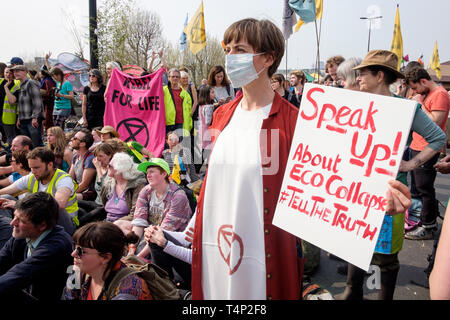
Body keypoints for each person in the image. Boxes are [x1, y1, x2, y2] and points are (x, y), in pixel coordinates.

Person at [191, 19, 413, 300]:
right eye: (229, 49)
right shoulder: (222, 115)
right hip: (216, 248)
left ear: (268, 58)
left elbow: (337, 181)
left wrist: (375, 201)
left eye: (241, 50)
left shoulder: (296, 123)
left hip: (265, 257)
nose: (230, 58)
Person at [335, 49, 446, 301]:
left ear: (380, 75)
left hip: (390, 191)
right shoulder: (354, 105)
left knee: (386, 251)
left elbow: (438, 138)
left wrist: (411, 163)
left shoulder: (406, 109)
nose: (358, 78)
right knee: (354, 240)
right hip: (354, 188)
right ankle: (352, 291)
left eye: (363, 73)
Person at [403, 67, 450, 240]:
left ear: (423, 81)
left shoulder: (440, 94)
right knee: (416, 188)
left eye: (414, 88)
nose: (414, 92)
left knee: (424, 188)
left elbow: (435, 121)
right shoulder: (427, 94)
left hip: (427, 148)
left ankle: (428, 225)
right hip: (417, 145)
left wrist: (419, 104)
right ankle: (418, 221)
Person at [0, 192, 73, 300]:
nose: (12, 223)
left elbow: (18, 275)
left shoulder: (56, 246)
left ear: (42, 225)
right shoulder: (24, 235)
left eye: (21, 220)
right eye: (14, 216)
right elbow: (2, 259)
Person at [118, 158, 191, 260]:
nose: (148, 175)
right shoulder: (146, 191)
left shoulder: (178, 196)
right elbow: (139, 222)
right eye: (147, 172)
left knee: (154, 236)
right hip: (149, 231)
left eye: (152, 172)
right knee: (119, 224)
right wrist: (131, 250)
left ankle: (142, 261)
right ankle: (125, 255)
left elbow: (163, 232)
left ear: (164, 174)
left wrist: (138, 257)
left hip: (169, 238)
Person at [62, 221, 152, 300]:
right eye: (75, 247)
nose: (73, 254)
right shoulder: (77, 270)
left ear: (105, 258)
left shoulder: (128, 289)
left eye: (81, 251)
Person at [0, 147, 80, 233]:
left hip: (63, 224)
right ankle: (10, 229)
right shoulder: (32, 177)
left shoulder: (63, 179)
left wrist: (19, 205)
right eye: (31, 168)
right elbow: (5, 191)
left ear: (50, 165)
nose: (33, 171)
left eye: (36, 168)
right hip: (41, 220)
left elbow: (58, 205)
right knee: (4, 198)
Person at [144, 213, 195, 289]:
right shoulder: (204, 205)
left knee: (157, 241)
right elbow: (186, 237)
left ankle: (166, 289)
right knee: (154, 237)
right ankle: (165, 288)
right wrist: (156, 232)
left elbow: (198, 259)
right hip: (193, 259)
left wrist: (165, 244)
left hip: (204, 273)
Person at [100, 152, 147, 223]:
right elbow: (103, 203)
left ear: (119, 169)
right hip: (107, 221)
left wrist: (116, 223)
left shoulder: (137, 185)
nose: (107, 167)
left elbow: (135, 214)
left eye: (110, 166)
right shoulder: (109, 182)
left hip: (125, 223)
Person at [77, 142, 117, 226]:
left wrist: (98, 169)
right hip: (95, 202)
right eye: (96, 156)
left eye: (101, 156)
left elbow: (103, 189)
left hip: (104, 206)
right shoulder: (98, 167)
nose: (98, 159)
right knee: (74, 202)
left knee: (83, 220)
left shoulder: (112, 169)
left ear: (110, 155)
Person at [8, 65, 44, 148]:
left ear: (25, 72)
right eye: (14, 71)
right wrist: (19, 118)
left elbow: (37, 101)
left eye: (18, 71)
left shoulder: (31, 83)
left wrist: (35, 118)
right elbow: (22, 104)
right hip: (24, 120)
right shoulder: (21, 85)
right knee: (27, 147)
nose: (15, 73)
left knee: (36, 145)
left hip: (32, 120)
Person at [69, 128, 97, 201]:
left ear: (83, 144)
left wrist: (68, 193)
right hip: (78, 190)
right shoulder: (75, 157)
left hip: (88, 193)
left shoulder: (90, 159)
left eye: (75, 138)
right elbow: (70, 178)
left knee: (66, 198)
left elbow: (84, 185)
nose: (71, 139)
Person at [163, 68, 193, 137]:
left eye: (177, 77)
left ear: (179, 78)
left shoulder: (185, 94)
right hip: (167, 124)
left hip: (180, 124)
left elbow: (188, 111)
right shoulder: (163, 91)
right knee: (168, 147)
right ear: (168, 78)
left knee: (178, 146)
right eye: (173, 76)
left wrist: (189, 124)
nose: (175, 78)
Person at [1, 65, 20, 145]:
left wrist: (6, 87)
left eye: (10, 73)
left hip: (9, 117)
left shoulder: (16, 86)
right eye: (6, 72)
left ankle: (10, 155)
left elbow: (12, 101)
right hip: (1, 115)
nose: (8, 74)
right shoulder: (0, 81)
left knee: (10, 139)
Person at [38, 65, 56, 131]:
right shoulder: (45, 79)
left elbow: (50, 93)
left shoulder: (48, 80)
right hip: (46, 103)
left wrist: (43, 95)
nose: (39, 73)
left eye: (40, 72)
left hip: (49, 104)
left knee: (48, 120)